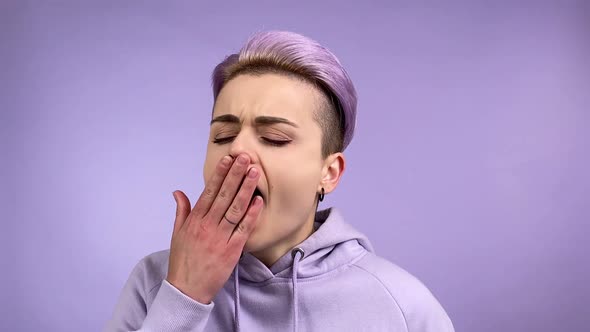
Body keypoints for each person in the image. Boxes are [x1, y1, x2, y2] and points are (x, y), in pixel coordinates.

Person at [104, 30, 454, 332]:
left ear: (328, 173)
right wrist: (184, 299)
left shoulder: (403, 307)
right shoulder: (154, 282)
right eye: (223, 135)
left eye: (274, 137)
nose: (238, 150)